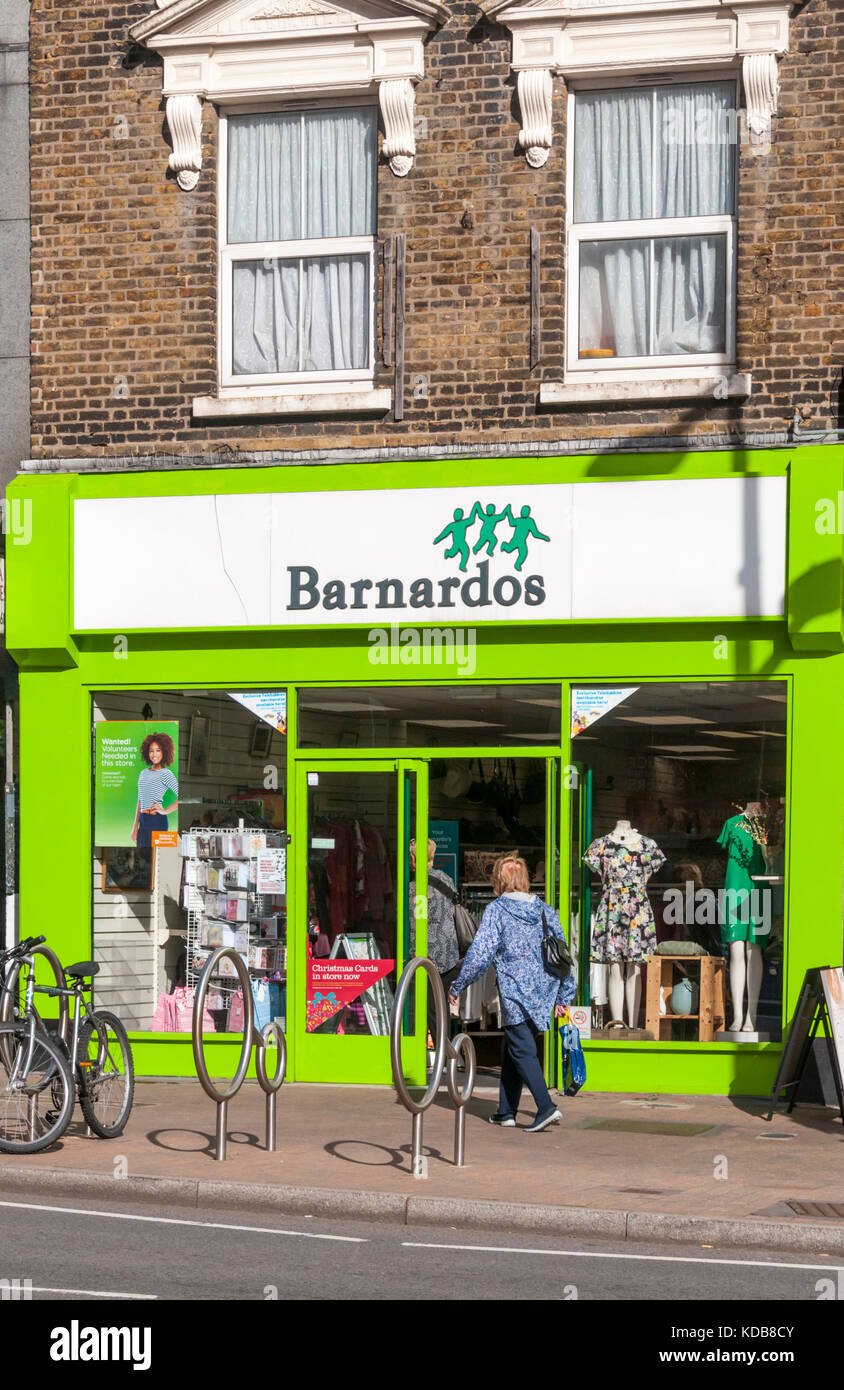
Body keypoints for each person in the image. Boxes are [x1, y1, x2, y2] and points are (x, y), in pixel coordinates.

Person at [449, 853, 575, 1132]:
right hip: (544, 991)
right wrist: (564, 995)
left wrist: (457, 985)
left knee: (523, 1049)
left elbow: (480, 955)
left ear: (499, 881)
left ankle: (545, 1107)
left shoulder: (497, 910)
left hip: (515, 990)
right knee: (512, 1048)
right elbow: (564, 956)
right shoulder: (545, 910)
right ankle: (506, 1111)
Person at [409, 838, 461, 1048]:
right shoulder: (446, 880)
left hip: (428, 955)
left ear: (413, 858)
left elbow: (415, 924)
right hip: (448, 954)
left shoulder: (416, 886)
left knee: (426, 1008)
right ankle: (443, 1052)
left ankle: (439, 1054)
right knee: (439, 1007)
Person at [132, 732, 178, 847]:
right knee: (143, 854)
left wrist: (166, 810)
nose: (154, 754)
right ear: (147, 753)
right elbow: (140, 800)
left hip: (157, 822)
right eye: (151, 751)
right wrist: (134, 828)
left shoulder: (166, 774)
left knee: (157, 857)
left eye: (158, 750)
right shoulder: (143, 773)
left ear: (164, 752)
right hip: (143, 822)